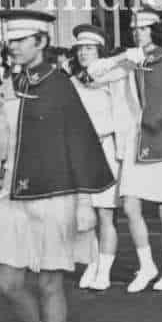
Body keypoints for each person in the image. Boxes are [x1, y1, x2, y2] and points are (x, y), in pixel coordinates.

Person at [0, 12, 115, 322]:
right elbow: (1, 150)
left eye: (22, 39)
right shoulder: (9, 84)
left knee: (51, 282)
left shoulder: (60, 85)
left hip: (58, 194)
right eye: (12, 40)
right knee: (8, 282)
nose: (14, 45)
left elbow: (81, 142)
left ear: (41, 41)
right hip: (15, 193)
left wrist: (86, 202)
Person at [88, 9, 162, 293]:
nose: (137, 32)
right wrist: (124, 56)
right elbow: (93, 72)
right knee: (129, 206)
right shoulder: (131, 61)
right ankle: (147, 264)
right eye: (134, 28)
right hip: (135, 142)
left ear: (155, 30)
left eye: (143, 28)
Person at [68, 24, 130, 290]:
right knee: (86, 216)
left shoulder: (114, 78)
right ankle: (92, 263)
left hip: (105, 149)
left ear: (100, 51)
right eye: (80, 48)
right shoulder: (70, 81)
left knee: (106, 214)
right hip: (80, 153)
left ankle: (103, 270)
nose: (83, 53)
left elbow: (124, 114)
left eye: (89, 48)